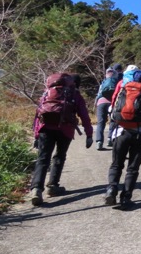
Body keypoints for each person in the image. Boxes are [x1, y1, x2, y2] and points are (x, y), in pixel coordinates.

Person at [31, 72, 94, 205]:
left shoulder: (47, 92)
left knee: (43, 158)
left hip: (45, 128)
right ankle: (53, 186)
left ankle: (36, 189)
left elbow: (38, 114)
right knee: (59, 156)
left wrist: (36, 134)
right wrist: (89, 134)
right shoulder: (75, 95)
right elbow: (84, 116)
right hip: (65, 129)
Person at [105, 68, 141, 209]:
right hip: (140, 134)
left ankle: (112, 189)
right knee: (132, 169)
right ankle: (126, 197)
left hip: (120, 132)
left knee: (116, 164)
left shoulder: (123, 91)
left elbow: (112, 112)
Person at [93, 63, 122, 150]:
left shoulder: (104, 82)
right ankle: (110, 138)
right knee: (113, 120)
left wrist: (96, 102)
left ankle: (99, 142)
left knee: (100, 122)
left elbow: (99, 93)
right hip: (112, 103)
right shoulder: (117, 82)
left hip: (101, 102)